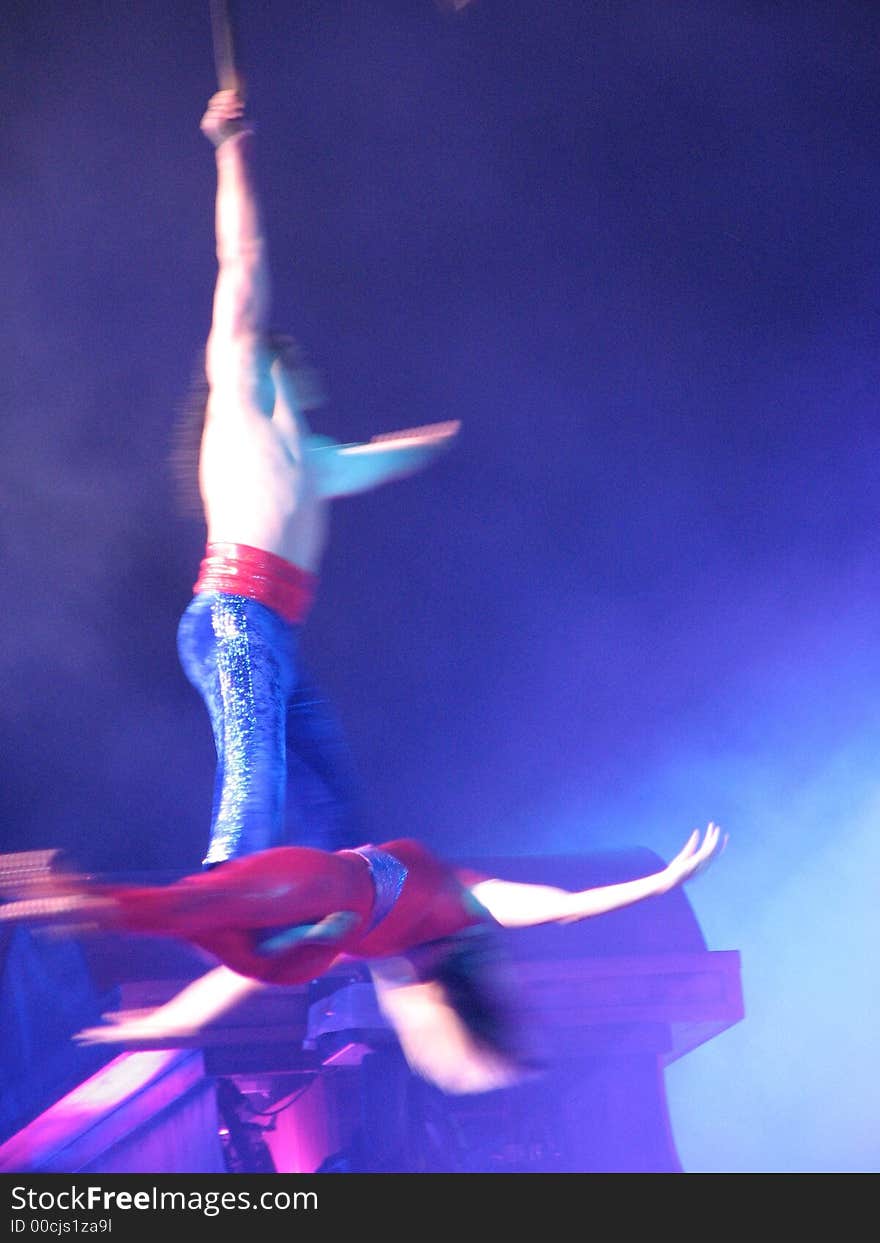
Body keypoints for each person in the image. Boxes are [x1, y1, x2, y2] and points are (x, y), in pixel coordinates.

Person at [182, 89, 460, 865]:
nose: (306, 368)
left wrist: (449, 440)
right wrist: (229, 148)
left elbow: (392, 456)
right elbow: (240, 258)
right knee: (257, 775)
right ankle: (226, 885)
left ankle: (339, 915)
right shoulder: (238, 387)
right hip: (233, 615)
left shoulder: (319, 462)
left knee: (330, 792)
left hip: (273, 633)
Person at [0, 823, 725, 1094]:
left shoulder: (387, 956)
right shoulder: (464, 906)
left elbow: (237, 978)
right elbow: (561, 905)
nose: (415, 1017)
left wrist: (157, 1025)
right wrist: (655, 884)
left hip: (303, 906)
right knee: (178, 913)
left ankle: (56, 894)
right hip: (303, 888)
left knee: (210, 932)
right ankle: (55, 891)